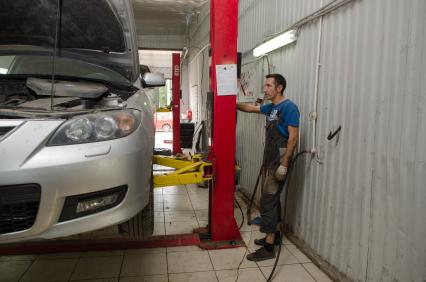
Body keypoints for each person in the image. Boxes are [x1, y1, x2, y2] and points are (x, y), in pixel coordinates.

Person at [237, 74, 300, 261]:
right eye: (265, 85)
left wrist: (285, 164)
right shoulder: (271, 107)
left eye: (268, 85)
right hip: (270, 159)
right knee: (273, 200)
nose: (264, 89)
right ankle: (276, 234)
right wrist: (231, 103)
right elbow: (251, 108)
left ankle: (269, 248)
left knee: (268, 202)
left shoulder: (289, 107)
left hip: (280, 161)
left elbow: (293, 137)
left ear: (279, 88)